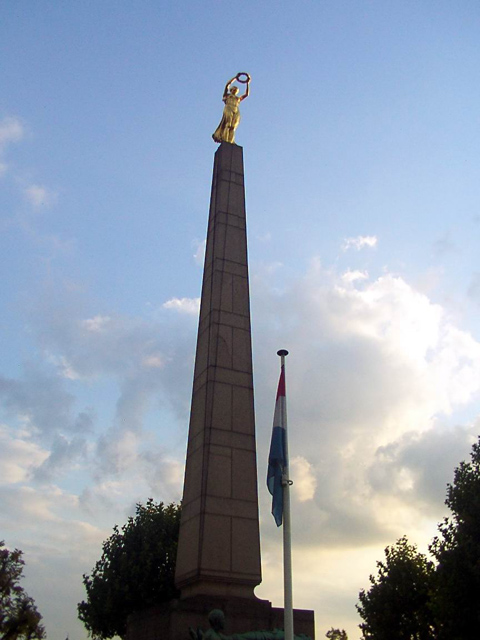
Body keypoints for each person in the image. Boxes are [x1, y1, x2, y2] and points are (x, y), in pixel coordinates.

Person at [212, 74, 250, 144]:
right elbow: (227, 85)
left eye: (236, 90)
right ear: (231, 90)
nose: (235, 90)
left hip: (236, 109)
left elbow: (246, 94)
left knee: (233, 126)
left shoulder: (238, 98)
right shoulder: (227, 96)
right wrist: (235, 78)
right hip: (228, 108)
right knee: (228, 124)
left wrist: (247, 83)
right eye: (234, 89)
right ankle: (225, 139)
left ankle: (231, 140)